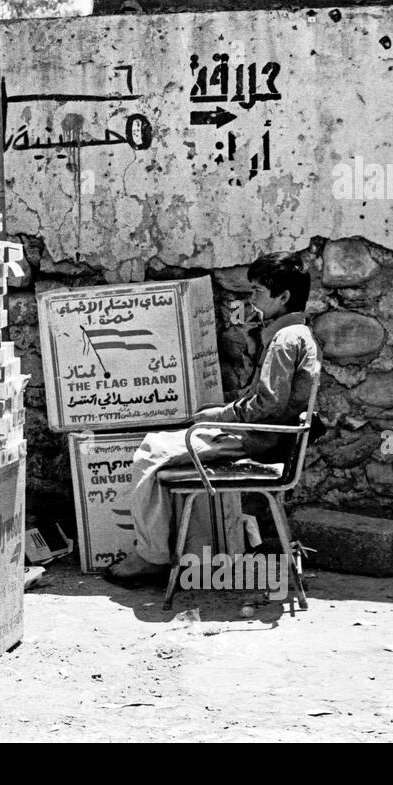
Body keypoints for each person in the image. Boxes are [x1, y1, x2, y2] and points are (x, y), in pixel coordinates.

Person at [103, 252, 322, 589]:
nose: (252, 299)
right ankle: (166, 552)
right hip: (265, 437)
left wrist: (217, 416)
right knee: (163, 451)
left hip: (258, 440)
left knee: (150, 451)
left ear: (283, 297)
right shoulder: (296, 336)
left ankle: (151, 557)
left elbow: (266, 406)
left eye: (258, 292)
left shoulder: (285, 340)